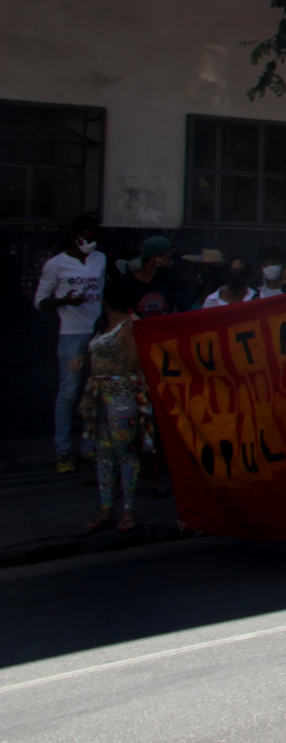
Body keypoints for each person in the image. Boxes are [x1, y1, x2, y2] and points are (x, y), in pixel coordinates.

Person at [79, 277, 150, 533]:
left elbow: (135, 360)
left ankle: (127, 511)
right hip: (101, 396)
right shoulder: (104, 327)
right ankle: (107, 510)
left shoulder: (128, 326)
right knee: (104, 455)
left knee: (124, 452)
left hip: (121, 394)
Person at [37, 216, 106, 474]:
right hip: (71, 334)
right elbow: (40, 301)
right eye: (85, 238)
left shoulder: (100, 259)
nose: (90, 243)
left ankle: (88, 448)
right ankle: (62, 450)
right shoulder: (55, 264)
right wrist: (64, 301)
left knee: (94, 392)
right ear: (75, 236)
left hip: (96, 333)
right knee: (68, 393)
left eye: (93, 238)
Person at [116, 237, 177, 318]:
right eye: (168, 258)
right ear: (156, 258)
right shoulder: (124, 285)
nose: (171, 263)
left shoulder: (163, 282)